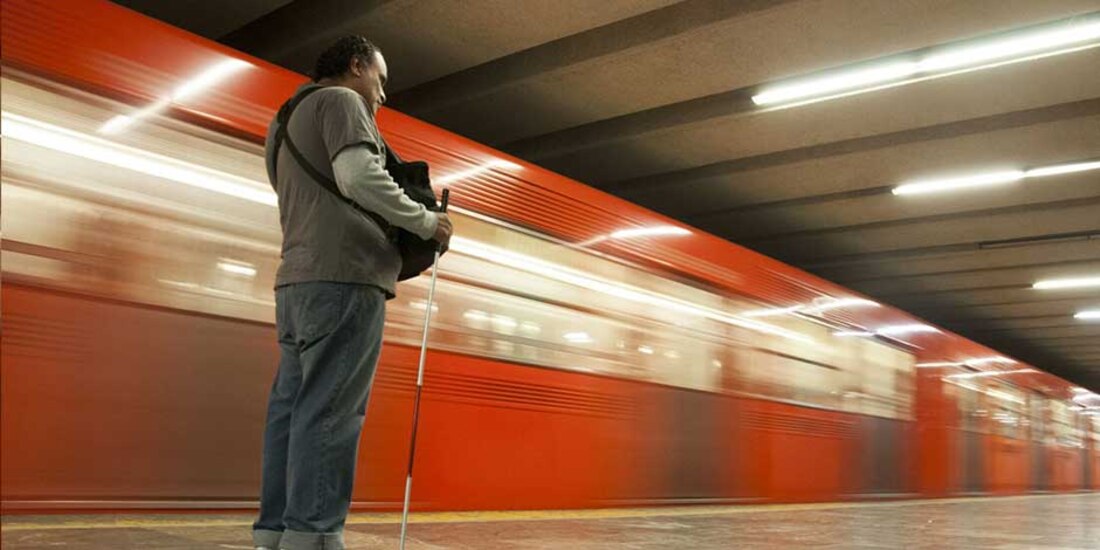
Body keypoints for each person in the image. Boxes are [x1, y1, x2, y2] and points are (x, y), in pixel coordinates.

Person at [252, 35, 453, 550]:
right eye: (380, 81)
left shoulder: (283, 121)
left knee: (292, 410)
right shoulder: (343, 101)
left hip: (296, 281)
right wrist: (427, 222)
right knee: (333, 410)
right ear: (357, 66)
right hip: (345, 278)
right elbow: (358, 176)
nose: (381, 95)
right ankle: (315, 536)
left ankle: (275, 532)